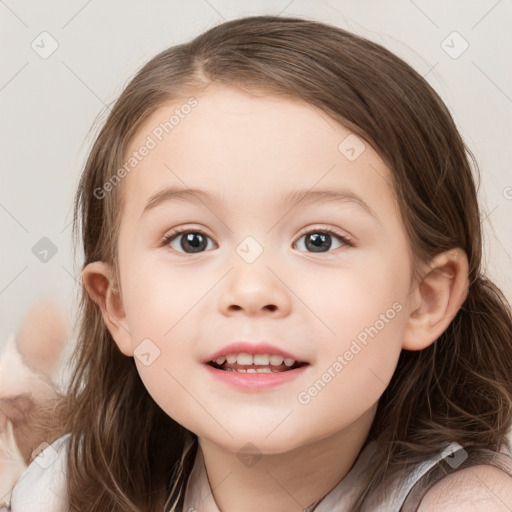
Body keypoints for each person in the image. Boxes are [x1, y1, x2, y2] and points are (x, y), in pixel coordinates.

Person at [6, 14, 512, 511]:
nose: (251, 290)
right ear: (117, 307)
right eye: (191, 241)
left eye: (318, 240)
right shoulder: (64, 491)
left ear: (425, 299)